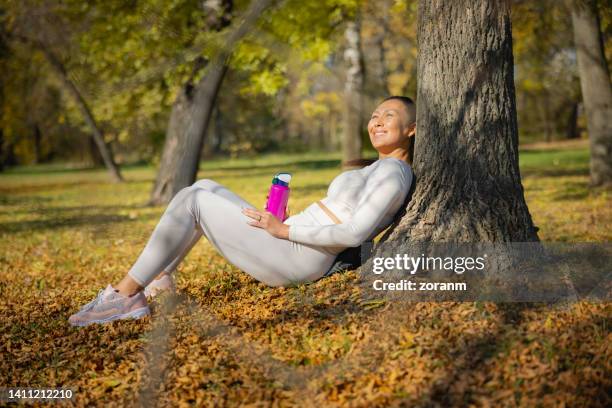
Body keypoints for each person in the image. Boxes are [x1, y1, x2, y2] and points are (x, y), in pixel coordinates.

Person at [68, 96, 417, 326]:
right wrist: (283, 222)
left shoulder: (395, 172)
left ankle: (124, 295)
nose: (377, 121)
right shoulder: (376, 167)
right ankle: (161, 279)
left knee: (195, 201)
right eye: (374, 116)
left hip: (302, 256)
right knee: (203, 186)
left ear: (412, 128)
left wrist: (284, 231)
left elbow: (355, 232)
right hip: (291, 238)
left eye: (389, 115)